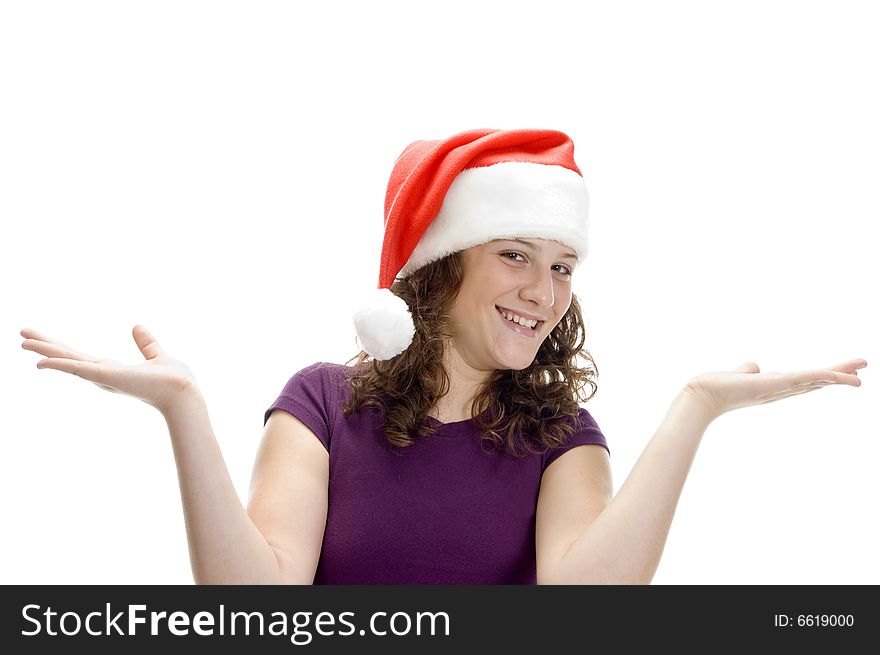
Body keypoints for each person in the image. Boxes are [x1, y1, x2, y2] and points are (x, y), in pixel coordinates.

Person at [20, 128, 867, 585]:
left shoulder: (565, 436)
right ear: (439, 265)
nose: (543, 289)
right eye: (513, 254)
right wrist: (184, 414)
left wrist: (695, 408)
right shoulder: (320, 404)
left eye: (562, 265)